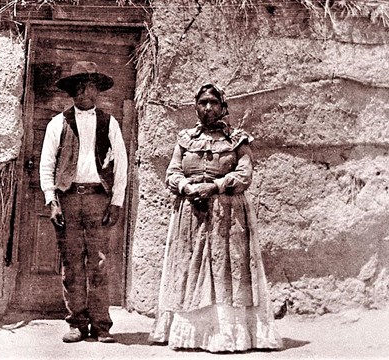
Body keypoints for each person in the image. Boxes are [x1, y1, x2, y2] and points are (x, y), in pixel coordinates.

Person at [148, 83, 282, 352]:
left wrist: (216, 186)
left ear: (223, 107)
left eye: (213, 102)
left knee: (225, 270)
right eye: (202, 102)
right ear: (195, 106)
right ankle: (191, 335)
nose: (207, 108)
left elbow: (244, 175)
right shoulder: (184, 139)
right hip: (191, 213)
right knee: (190, 268)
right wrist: (187, 187)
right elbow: (172, 172)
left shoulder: (238, 140)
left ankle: (225, 335)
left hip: (227, 214)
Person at [39, 61, 128, 343]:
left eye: (89, 85)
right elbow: (46, 165)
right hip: (68, 200)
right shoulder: (58, 123)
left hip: (97, 200)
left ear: (97, 90)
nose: (84, 91)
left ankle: (101, 325)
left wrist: (116, 202)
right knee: (72, 263)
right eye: (78, 86)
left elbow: (122, 165)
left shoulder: (109, 122)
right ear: (71, 92)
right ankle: (76, 323)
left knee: (99, 263)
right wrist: (51, 200)